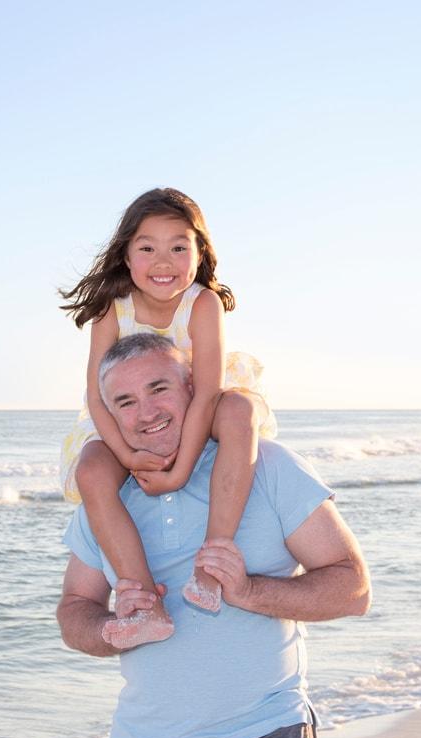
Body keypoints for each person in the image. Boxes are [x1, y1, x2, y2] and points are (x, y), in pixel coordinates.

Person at [56, 333, 371, 738]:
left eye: (158, 389)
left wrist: (249, 591)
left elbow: (354, 589)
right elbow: (74, 609)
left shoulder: (268, 466)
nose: (146, 413)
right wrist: (112, 629)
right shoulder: (105, 499)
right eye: (125, 402)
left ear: (193, 388)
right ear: (109, 419)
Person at [58, 188, 277, 647]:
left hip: (196, 400)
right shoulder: (111, 310)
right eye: (147, 247)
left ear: (200, 253)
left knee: (240, 411)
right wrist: (131, 456)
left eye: (179, 247)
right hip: (130, 420)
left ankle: (211, 567)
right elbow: (98, 399)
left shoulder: (202, 303)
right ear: (127, 255)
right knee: (93, 469)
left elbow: (209, 392)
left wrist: (179, 471)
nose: (164, 261)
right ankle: (143, 604)